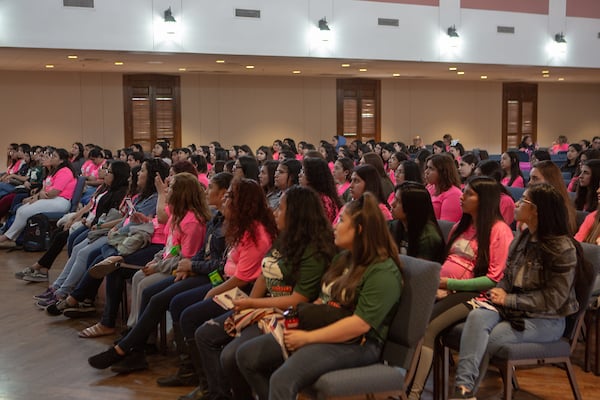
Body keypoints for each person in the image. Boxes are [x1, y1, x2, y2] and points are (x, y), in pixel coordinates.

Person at [88, 178, 277, 377]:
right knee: (154, 292)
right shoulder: (220, 220)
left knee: (170, 300)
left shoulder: (237, 228)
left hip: (220, 280)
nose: (207, 191)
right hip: (212, 275)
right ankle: (137, 347)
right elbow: (200, 253)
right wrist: (188, 265)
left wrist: (192, 267)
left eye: (226, 194)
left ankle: (151, 353)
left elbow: (226, 269)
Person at [236, 192, 404, 400]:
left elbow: (359, 325)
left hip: (357, 343)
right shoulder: (344, 258)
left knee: (282, 378)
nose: (334, 225)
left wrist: (307, 337)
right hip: (325, 326)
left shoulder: (383, 271)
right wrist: (293, 321)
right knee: (247, 356)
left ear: (359, 230)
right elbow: (322, 302)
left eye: (341, 221)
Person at [194, 185, 337, 400]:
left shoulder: (314, 251)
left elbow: (298, 300)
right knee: (205, 333)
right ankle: (218, 393)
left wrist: (252, 305)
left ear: (296, 214)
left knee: (233, 355)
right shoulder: (285, 238)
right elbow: (264, 273)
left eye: (280, 208)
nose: (274, 212)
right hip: (265, 307)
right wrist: (250, 306)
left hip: (287, 315)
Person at [448, 183, 583, 400]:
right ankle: (462, 391)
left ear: (536, 210)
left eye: (524, 201)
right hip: (511, 309)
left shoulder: (562, 248)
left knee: (490, 338)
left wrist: (508, 299)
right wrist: (498, 294)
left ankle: (465, 392)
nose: (516, 203)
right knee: (477, 316)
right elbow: (507, 278)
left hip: (545, 319)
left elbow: (554, 299)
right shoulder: (523, 237)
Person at [407, 176, 513, 400]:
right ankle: (399, 380)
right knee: (408, 317)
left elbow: (493, 279)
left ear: (485, 200)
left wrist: (450, 284)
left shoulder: (499, 230)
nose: (462, 197)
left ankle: (413, 393)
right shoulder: (461, 225)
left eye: (469, 193)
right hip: (446, 289)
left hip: (476, 296)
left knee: (427, 329)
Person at [16, 161, 130, 283]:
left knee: (65, 238)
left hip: (94, 223)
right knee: (59, 233)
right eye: (104, 169)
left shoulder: (118, 193)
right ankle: (43, 268)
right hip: (89, 219)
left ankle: (45, 269)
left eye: (107, 170)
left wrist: (82, 221)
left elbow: (106, 216)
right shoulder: (103, 187)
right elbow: (89, 206)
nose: (103, 172)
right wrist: (74, 217)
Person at [0, 148, 76, 248]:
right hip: (50, 199)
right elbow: (44, 190)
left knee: (24, 212)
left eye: (54, 156)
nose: (51, 158)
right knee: (21, 209)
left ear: (61, 160)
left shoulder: (65, 171)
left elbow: (54, 192)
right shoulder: (54, 171)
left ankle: (6, 237)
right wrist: (37, 197)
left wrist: (42, 195)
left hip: (60, 201)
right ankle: (13, 238)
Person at [389, 182, 445, 262]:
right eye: (395, 198)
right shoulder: (394, 225)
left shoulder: (428, 238)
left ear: (412, 207)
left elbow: (419, 271)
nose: (392, 204)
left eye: (398, 201)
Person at [299, 157, 342, 224]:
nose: (299, 175)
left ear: (314, 175)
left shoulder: (322, 200)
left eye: (304, 172)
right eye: (301, 171)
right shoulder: (309, 196)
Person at [425, 154, 462, 222]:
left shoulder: (454, 194)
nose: (426, 172)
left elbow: (445, 227)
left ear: (443, 172)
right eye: (427, 167)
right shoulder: (430, 187)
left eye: (431, 168)